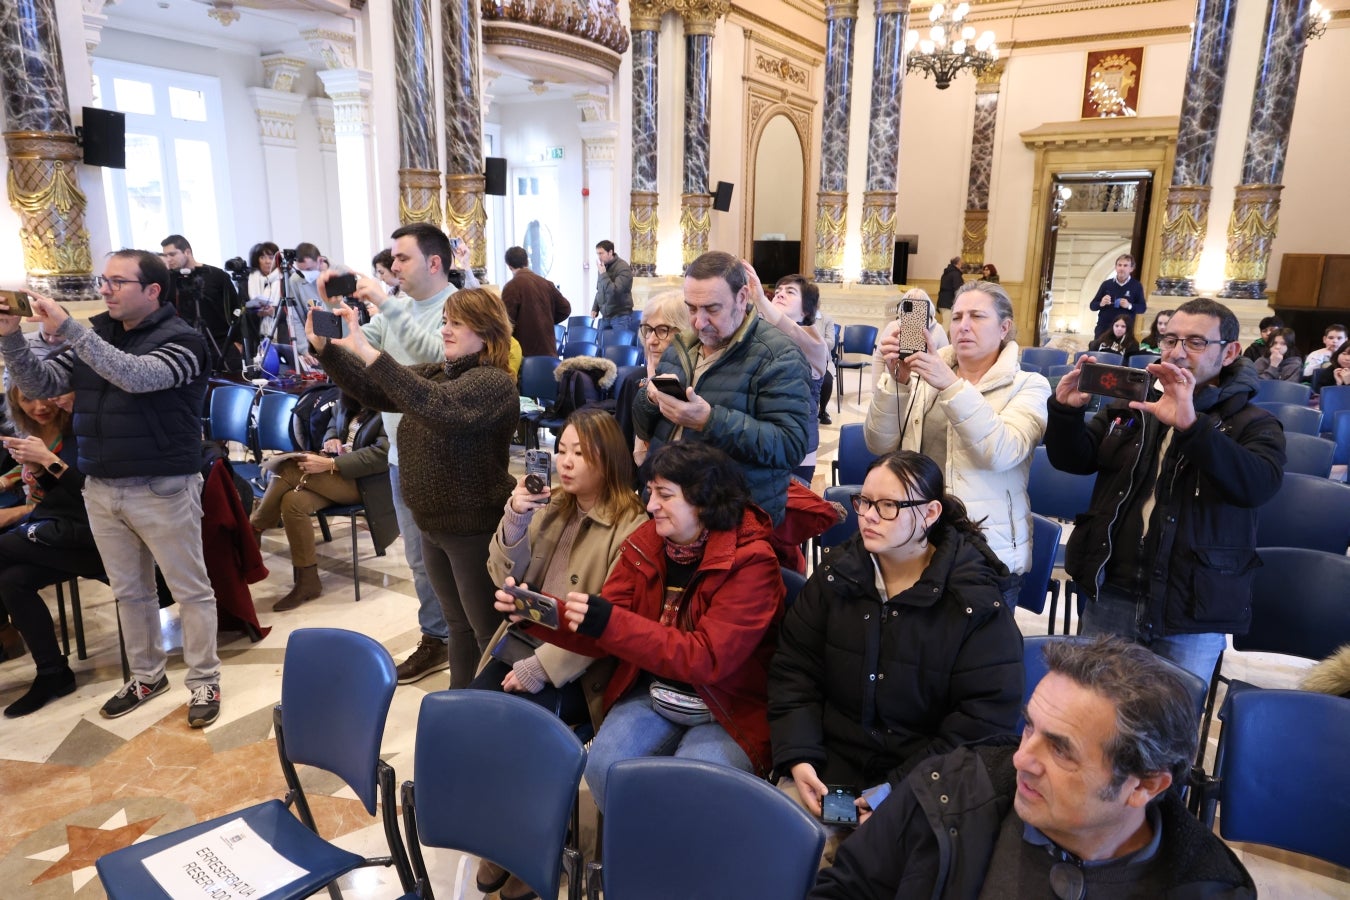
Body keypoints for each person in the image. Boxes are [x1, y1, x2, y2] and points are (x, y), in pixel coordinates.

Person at [811, 637, 1256, 900]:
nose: (1022, 758)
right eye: (1029, 728)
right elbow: (844, 892)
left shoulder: (1206, 887)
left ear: (1144, 786)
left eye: (1061, 751)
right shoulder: (949, 788)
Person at [494, 441, 785, 812]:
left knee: (691, 792)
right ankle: (631, 857)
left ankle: (667, 864)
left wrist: (610, 622)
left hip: (727, 705)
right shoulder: (648, 542)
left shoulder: (752, 562)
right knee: (604, 768)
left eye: (665, 495)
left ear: (705, 501)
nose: (650, 505)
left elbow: (707, 658)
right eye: (650, 492)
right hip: (656, 690)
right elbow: (602, 630)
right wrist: (537, 613)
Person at [0, 250, 223, 727]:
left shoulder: (183, 340)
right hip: (101, 486)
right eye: (103, 280)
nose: (104, 289)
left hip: (161, 484)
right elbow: (39, 383)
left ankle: (204, 678)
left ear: (152, 290)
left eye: (117, 282)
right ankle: (146, 675)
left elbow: (135, 376)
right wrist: (11, 338)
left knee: (190, 591)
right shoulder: (98, 333)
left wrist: (72, 329)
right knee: (129, 591)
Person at [769, 451, 1023, 859]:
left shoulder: (972, 602)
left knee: (858, 874)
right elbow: (794, 671)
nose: (868, 515)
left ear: (930, 512)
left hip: (925, 784)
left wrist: (896, 790)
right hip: (827, 768)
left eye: (888, 506)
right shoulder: (837, 577)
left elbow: (981, 725)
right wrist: (799, 757)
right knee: (775, 857)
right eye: (864, 502)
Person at [1044, 297, 1286, 681]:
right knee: (1095, 718)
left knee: (1170, 729)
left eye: (1195, 342)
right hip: (1114, 589)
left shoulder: (1253, 423)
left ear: (1230, 353)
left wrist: (1192, 427)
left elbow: (1256, 485)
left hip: (1189, 606)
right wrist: (1065, 412)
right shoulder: (1135, 403)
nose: (1177, 352)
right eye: (1170, 340)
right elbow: (1074, 459)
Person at [471, 408, 646, 899]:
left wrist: (542, 667)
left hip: (577, 666)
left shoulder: (630, 525)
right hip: (523, 641)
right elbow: (501, 571)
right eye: (561, 450)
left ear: (608, 460)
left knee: (519, 735)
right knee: (473, 717)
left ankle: (529, 854)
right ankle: (500, 840)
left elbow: (612, 623)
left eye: (579, 454)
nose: (565, 463)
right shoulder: (552, 504)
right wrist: (516, 517)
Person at [310, 287, 519, 689]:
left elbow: (438, 407)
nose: (445, 331)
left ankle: (492, 719)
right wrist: (329, 350)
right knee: (457, 627)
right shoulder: (438, 374)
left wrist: (369, 352)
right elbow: (376, 390)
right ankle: (459, 711)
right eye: (445, 322)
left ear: (487, 333)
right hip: (433, 526)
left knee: (486, 633)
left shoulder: (493, 385)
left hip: (472, 529)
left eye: (457, 323)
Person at [315, 224, 472, 684]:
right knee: (420, 559)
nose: (394, 267)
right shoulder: (394, 309)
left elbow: (439, 363)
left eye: (402, 259)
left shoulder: (459, 310)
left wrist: (383, 302)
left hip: (448, 455)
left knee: (457, 558)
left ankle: (474, 639)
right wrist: (329, 321)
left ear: (434, 262)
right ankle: (437, 636)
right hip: (403, 453)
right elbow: (361, 354)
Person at [864, 281, 1050, 580]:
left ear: (1004, 328)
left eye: (977, 316)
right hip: (916, 539)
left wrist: (950, 385)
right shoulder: (925, 375)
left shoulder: (1029, 385)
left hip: (985, 550)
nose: (963, 326)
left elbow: (1000, 453)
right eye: (957, 317)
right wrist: (896, 383)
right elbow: (878, 444)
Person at [632, 250, 811, 526]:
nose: (699, 322)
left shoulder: (778, 355)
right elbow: (646, 426)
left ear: (742, 297)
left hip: (729, 518)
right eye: (691, 308)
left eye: (712, 309)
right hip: (666, 509)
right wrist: (649, 398)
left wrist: (709, 420)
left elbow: (790, 444)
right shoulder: (683, 347)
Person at [0, 389, 107, 717]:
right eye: (26, 399)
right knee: (12, 580)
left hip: (94, 539)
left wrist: (48, 462)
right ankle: (53, 672)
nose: (38, 406)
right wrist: (11, 478)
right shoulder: (29, 432)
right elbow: (36, 486)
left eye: (45, 395)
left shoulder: (80, 429)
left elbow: (92, 496)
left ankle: (5, 635)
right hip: (54, 533)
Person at [249, 395, 388, 611]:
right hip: (336, 474)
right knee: (292, 502)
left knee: (291, 468)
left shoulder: (387, 406)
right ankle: (308, 582)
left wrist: (331, 463)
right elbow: (333, 424)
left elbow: (381, 455)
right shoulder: (348, 400)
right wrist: (331, 439)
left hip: (364, 483)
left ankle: (254, 528)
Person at [753, 269, 828, 484]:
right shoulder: (762, 338)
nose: (780, 294)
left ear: (806, 310)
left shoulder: (814, 342)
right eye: (777, 291)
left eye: (790, 291)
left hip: (798, 446)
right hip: (763, 439)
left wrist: (761, 300)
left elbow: (791, 332)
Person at [621, 291, 690, 466]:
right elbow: (622, 448)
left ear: (686, 333)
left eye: (662, 330)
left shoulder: (694, 382)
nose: (651, 340)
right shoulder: (634, 381)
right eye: (648, 330)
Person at [160, 233, 242, 370]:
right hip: (185, 345)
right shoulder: (168, 280)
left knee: (230, 386)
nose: (168, 259)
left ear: (187, 252)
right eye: (165, 256)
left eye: (172, 254)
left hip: (222, 344)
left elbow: (236, 309)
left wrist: (238, 342)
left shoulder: (217, 276)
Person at [501, 245, 571, 357]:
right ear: (527, 262)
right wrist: (546, 320)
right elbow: (565, 309)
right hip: (549, 351)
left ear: (509, 266)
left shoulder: (511, 287)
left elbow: (506, 322)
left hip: (524, 353)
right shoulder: (546, 283)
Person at [1092, 253, 1146, 335]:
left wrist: (1129, 306)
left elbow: (1142, 308)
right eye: (1119, 265)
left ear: (1131, 268)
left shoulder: (1136, 286)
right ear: (1116, 267)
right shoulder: (1106, 284)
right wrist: (1101, 303)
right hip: (1104, 329)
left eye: (1125, 265)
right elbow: (1092, 306)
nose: (1121, 268)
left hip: (1124, 331)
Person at [592, 240, 633, 332]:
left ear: (610, 252)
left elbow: (615, 291)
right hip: (605, 317)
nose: (599, 257)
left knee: (619, 346)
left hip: (620, 317)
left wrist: (603, 274)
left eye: (601, 253)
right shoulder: (603, 267)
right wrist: (595, 307)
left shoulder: (623, 267)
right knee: (602, 345)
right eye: (597, 254)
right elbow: (600, 290)